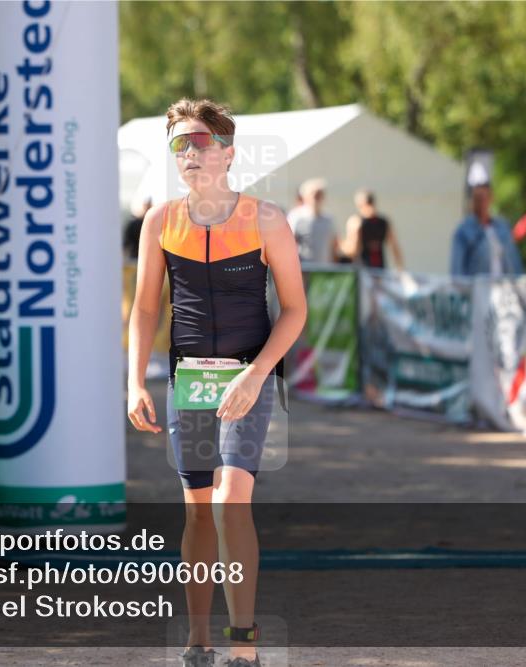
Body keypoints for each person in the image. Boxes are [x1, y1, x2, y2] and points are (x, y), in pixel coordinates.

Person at [127, 98, 306, 667]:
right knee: (199, 510)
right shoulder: (160, 220)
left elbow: (296, 310)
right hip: (189, 384)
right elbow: (146, 311)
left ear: (228, 153)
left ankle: (244, 647)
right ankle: (197, 641)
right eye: (180, 144)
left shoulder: (266, 219)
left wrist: (257, 375)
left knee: (232, 502)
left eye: (201, 142)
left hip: (246, 380)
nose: (190, 154)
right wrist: (134, 382)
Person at [449, 183, 523, 277]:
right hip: (477, 288)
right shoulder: (463, 231)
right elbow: (457, 269)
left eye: (484, 198)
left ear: (491, 199)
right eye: (477, 199)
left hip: (504, 287)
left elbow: (514, 261)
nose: (481, 203)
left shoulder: (502, 227)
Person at [341, 190, 403, 269]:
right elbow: (395, 248)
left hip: (363, 271)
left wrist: (341, 245)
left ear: (360, 205)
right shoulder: (383, 222)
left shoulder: (356, 222)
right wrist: (400, 268)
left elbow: (354, 250)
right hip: (380, 269)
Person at [287, 178, 337, 264]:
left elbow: (334, 244)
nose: (317, 197)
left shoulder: (329, 219)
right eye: (314, 194)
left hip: (323, 270)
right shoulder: (296, 217)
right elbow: (288, 244)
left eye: (320, 194)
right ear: (305, 196)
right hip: (303, 269)